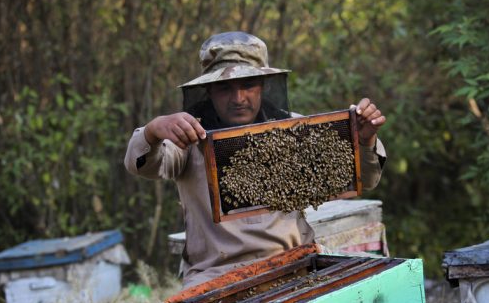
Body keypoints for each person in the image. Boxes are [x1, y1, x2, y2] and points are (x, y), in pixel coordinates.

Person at [124, 31, 386, 289]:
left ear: (263, 85)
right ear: (209, 90)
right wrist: (153, 130)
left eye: (248, 85)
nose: (238, 98)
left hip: (294, 261)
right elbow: (145, 164)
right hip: (214, 273)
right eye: (224, 87)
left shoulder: (295, 129)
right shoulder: (188, 136)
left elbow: (365, 177)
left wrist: (363, 140)